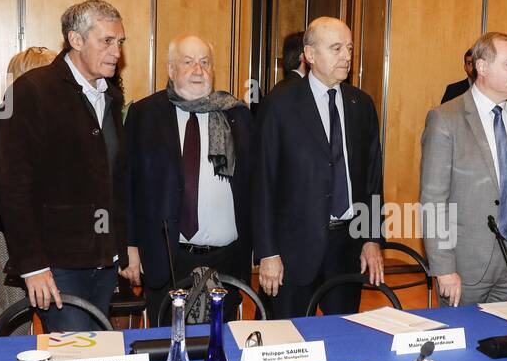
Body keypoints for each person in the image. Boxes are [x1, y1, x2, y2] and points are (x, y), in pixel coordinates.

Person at [0, 0, 131, 332]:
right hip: (56, 265)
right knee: (74, 358)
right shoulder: (32, 91)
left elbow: (116, 180)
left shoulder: (110, 97)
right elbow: (12, 186)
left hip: (104, 261)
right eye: (107, 41)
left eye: (120, 42)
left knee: (96, 357)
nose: (116, 51)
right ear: (76, 40)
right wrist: (33, 265)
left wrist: (123, 248)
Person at [252, 16, 384, 318]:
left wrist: (371, 238)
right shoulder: (280, 104)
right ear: (309, 55)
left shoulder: (361, 105)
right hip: (294, 250)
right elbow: (263, 184)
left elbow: (373, 179)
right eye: (336, 48)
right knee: (290, 340)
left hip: (347, 247)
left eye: (349, 48)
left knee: (343, 339)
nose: (347, 56)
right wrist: (268, 253)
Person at [124, 35, 252, 325]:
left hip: (227, 258)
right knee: (167, 342)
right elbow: (128, 186)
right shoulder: (145, 114)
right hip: (167, 257)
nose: (198, 70)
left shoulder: (237, 114)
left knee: (221, 345)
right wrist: (130, 245)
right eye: (188, 62)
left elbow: (256, 185)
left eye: (205, 62)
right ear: (170, 69)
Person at [420, 31, 507, 305]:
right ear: (482, 67)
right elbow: (434, 201)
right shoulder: (445, 119)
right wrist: (443, 267)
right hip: (464, 267)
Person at [0, 46, 55, 319]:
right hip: (2, 227)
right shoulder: (4, 117)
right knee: (17, 308)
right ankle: (9, 360)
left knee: (50, 304)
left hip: (37, 227)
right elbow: (6, 184)